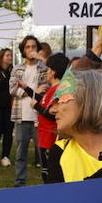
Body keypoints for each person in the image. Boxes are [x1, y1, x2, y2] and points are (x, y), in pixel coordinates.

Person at [10, 35, 46, 186]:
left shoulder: (44, 68)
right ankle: (19, 183)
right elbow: (12, 89)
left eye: (33, 47)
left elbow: (45, 91)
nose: (31, 49)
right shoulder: (17, 68)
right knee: (20, 154)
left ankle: (47, 182)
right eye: (28, 47)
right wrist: (33, 91)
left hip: (40, 117)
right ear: (23, 50)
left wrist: (31, 90)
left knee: (43, 153)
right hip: (21, 116)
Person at [34, 54, 70, 183]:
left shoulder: (58, 89)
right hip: (44, 136)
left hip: (50, 136)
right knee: (46, 170)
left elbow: (52, 114)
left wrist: (36, 106)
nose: (46, 72)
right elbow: (45, 105)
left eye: (48, 69)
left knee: (49, 172)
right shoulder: (51, 89)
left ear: (53, 72)